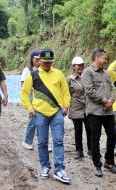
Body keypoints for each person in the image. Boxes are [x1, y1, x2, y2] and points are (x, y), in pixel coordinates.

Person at [21, 48, 71, 184]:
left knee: (58, 140)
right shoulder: (33, 75)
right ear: (39, 61)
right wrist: (29, 108)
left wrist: (66, 105)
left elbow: (66, 92)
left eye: (50, 62)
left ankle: (59, 169)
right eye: (45, 62)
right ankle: (45, 166)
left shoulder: (59, 74)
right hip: (40, 113)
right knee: (42, 142)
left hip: (56, 112)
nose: (48, 64)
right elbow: (24, 93)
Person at [81, 48, 116, 177]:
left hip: (108, 112)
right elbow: (89, 90)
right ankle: (97, 164)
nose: (106, 61)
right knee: (95, 138)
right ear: (97, 58)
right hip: (94, 112)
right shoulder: (87, 72)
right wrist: (105, 101)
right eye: (104, 58)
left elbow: (112, 89)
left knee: (113, 135)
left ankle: (109, 162)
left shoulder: (106, 73)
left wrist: (111, 101)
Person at [67, 56, 91, 159]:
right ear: (73, 67)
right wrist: (65, 107)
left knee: (90, 129)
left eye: (82, 65)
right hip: (75, 108)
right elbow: (66, 93)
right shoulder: (69, 79)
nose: (80, 67)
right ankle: (79, 151)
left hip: (88, 108)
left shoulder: (88, 77)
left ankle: (91, 150)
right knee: (78, 130)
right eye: (78, 65)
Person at [21, 50, 40, 150]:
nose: (38, 60)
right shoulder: (27, 70)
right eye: (36, 58)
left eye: (39, 59)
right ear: (32, 59)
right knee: (33, 119)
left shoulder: (43, 70)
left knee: (42, 120)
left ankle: (42, 142)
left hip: (42, 97)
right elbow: (23, 87)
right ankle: (27, 141)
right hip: (31, 96)